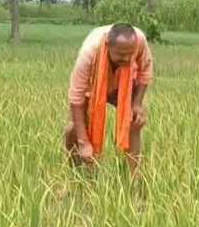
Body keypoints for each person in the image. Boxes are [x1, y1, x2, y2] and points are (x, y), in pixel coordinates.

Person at [64, 23, 153, 179]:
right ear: (108, 46)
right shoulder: (89, 52)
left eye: (129, 54)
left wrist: (137, 104)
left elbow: (145, 72)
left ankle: (135, 177)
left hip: (124, 82)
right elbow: (76, 98)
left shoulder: (138, 40)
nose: (126, 59)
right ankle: (76, 175)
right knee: (74, 129)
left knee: (134, 121)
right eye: (120, 55)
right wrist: (83, 142)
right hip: (94, 85)